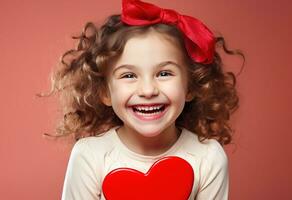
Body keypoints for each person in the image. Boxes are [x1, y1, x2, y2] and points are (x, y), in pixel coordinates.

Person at [38, 0, 243, 199]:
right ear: (105, 93)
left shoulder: (208, 158)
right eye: (129, 76)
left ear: (190, 86)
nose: (147, 90)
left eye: (164, 73)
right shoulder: (90, 156)